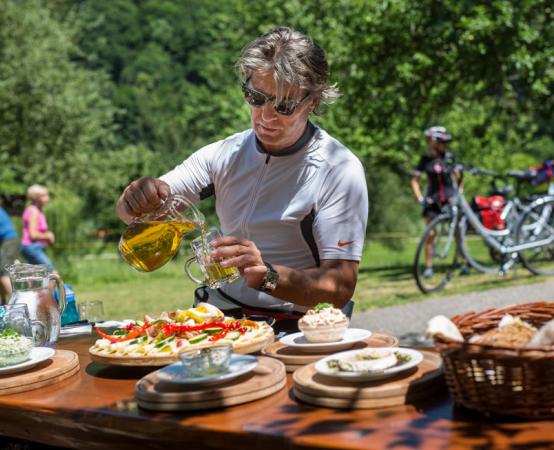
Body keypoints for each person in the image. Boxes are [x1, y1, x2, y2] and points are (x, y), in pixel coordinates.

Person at [116, 27, 369, 332]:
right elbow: (130, 214)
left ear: (313, 102)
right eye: (256, 97)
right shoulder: (224, 154)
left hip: (297, 326)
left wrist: (268, 277)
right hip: (221, 316)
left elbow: (340, 287)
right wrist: (136, 197)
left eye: (285, 105)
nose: (266, 116)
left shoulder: (338, 169)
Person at [410, 126, 466, 277]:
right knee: (431, 234)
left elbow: (459, 177)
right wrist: (420, 198)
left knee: (457, 232)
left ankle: (464, 262)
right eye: (442, 142)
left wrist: (459, 193)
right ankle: (429, 267)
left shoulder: (449, 156)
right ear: (433, 142)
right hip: (432, 201)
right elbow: (415, 181)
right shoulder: (425, 160)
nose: (445, 145)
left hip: (450, 200)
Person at [21, 185, 56, 272]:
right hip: (31, 247)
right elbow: (33, 235)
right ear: (35, 198)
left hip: (34, 247)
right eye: (43, 196)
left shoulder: (37, 211)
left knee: (37, 276)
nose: (47, 198)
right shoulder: (34, 212)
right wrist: (48, 236)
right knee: (52, 273)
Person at [0, 207, 19, 304]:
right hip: (8, 241)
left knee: (3, 274)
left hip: (8, 241)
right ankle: (3, 303)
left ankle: (19, 303)